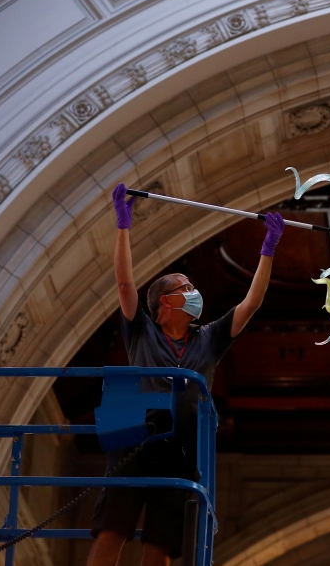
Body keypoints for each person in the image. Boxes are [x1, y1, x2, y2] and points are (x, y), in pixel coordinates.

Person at [87, 183, 285, 566]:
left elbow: (252, 303)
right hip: (135, 436)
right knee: (114, 528)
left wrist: (268, 250)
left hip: (181, 444)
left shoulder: (208, 338)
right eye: (186, 287)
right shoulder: (141, 330)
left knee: (161, 542)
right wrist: (122, 225)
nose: (195, 292)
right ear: (166, 300)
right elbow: (125, 283)